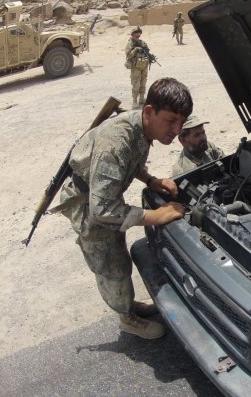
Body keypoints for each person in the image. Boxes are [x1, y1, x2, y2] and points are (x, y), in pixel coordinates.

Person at [59, 78, 193, 339]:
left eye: (181, 122)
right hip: (89, 207)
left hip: (104, 196)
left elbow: (131, 160)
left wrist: (151, 180)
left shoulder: (142, 127)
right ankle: (126, 319)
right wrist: (157, 216)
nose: (177, 130)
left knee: (120, 256)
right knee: (112, 265)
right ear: (149, 112)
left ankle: (128, 305)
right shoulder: (116, 141)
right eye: (170, 120)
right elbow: (103, 210)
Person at [125, 26, 152, 108]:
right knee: (136, 84)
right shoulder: (130, 43)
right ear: (132, 34)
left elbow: (147, 51)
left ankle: (141, 99)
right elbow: (128, 55)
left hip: (144, 65)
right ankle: (134, 101)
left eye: (139, 33)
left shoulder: (143, 42)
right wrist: (136, 49)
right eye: (136, 33)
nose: (137, 34)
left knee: (143, 83)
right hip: (135, 66)